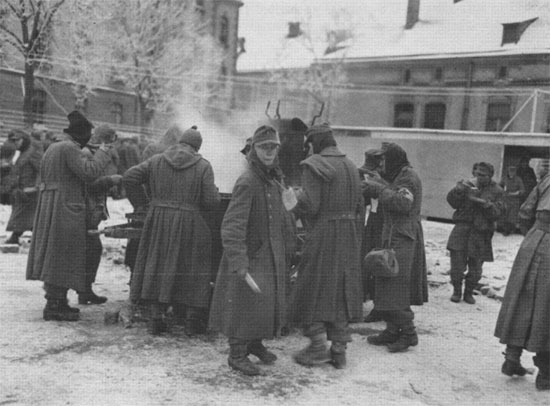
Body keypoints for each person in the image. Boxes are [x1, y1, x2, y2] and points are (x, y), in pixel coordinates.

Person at [209, 125, 296, 376]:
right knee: (244, 304)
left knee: (265, 302)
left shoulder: (271, 178)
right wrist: (239, 261)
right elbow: (232, 225)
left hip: (270, 253)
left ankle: (255, 343)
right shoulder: (248, 180)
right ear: (254, 150)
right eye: (263, 147)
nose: (268, 152)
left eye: (273, 147)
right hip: (251, 255)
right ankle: (237, 354)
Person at [123, 126, 220, 335]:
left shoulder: (157, 160)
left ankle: (155, 318)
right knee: (193, 266)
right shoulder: (203, 166)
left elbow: (129, 177)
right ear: (197, 147)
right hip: (189, 222)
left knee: (158, 263)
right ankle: (192, 321)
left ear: (180, 142)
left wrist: (144, 205)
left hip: (158, 221)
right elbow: (211, 201)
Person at [26, 111, 113, 321]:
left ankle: (57, 300)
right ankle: (55, 305)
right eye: (87, 135)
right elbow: (88, 172)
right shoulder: (68, 148)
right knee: (63, 253)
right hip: (65, 206)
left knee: (56, 253)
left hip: (54, 204)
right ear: (80, 134)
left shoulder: (55, 147)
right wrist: (103, 151)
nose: (88, 139)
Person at [290, 124, 364, 369]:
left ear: (315, 142)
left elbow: (310, 205)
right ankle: (339, 350)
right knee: (341, 289)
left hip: (323, 233)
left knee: (312, 285)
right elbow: (359, 206)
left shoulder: (314, 165)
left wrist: (292, 199)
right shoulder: (352, 166)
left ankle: (317, 346)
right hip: (349, 234)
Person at [362, 142, 428, 353]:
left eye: (384, 159)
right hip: (393, 235)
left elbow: (403, 203)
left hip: (402, 236)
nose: (381, 163)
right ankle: (392, 330)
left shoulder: (408, 177)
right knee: (385, 280)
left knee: (395, 284)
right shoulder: (399, 175)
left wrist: (379, 187)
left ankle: (409, 334)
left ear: (394, 158)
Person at [494, 164, 550, 391]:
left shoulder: (547, 179)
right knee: (546, 307)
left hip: (533, 240)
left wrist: (536, 233)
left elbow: (525, 211)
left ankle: (512, 358)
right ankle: (546, 373)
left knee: (522, 300)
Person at [446, 162, 505, 304]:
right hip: (462, 229)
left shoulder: (497, 191)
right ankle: (457, 291)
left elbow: (498, 213)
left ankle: (468, 292)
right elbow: (453, 203)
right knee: (456, 266)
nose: (478, 177)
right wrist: (457, 190)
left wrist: (482, 202)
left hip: (481, 233)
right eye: (476, 174)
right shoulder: (467, 185)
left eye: (482, 175)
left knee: (476, 269)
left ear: (490, 176)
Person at [79, 125, 122, 305]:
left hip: (91, 210)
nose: (112, 147)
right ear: (106, 139)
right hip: (85, 210)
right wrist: (109, 181)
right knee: (90, 250)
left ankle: (85, 290)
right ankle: (84, 290)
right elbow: (87, 183)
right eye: (111, 142)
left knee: (91, 250)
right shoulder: (88, 153)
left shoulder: (94, 152)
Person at [359, 148, 386, 323]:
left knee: (379, 261)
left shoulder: (387, 176)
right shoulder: (362, 174)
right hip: (373, 221)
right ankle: (365, 298)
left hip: (384, 221)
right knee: (366, 260)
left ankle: (380, 305)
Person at [5, 129, 43, 245]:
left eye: (17, 140)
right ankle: (37, 237)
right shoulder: (22, 152)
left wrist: (36, 187)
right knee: (27, 217)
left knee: (26, 216)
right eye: (13, 141)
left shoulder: (33, 152)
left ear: (24, 139)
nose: (15, 143)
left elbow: (41, 170)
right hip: (21, 191)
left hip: (30, 191)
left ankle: (16, 237)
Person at [499, 166, 525, 235]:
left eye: (513, 171)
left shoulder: (518, 180)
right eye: (510, 171)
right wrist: (502, 192)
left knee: (512, 217)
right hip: (505, 200)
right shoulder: (504, 178)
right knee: (504, 215)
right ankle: (503, 228)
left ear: (515, 172)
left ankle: (508, 230)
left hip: (514, 201)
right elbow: (499, 187)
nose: (511, 173)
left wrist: (516, 193)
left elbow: (522, 190)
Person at [0, 131, 19, 205]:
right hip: (7, 164)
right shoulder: (12, 145)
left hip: (3, 163)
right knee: (7, 182)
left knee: (3, 181)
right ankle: (5, 199)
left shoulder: (6, 143)